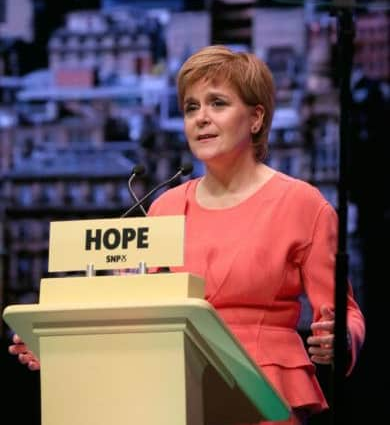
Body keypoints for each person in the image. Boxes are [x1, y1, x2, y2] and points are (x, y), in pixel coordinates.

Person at [9, 45, 365, 424]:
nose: (201, 118)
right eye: (191, 108)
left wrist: (340, 340)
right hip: (172, 393)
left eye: (217, 104)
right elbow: (132, 313)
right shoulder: (165, 206)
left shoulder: (302, 204)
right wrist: (63, 346)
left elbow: (345, 314)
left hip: (263, 393)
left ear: (256, 118)